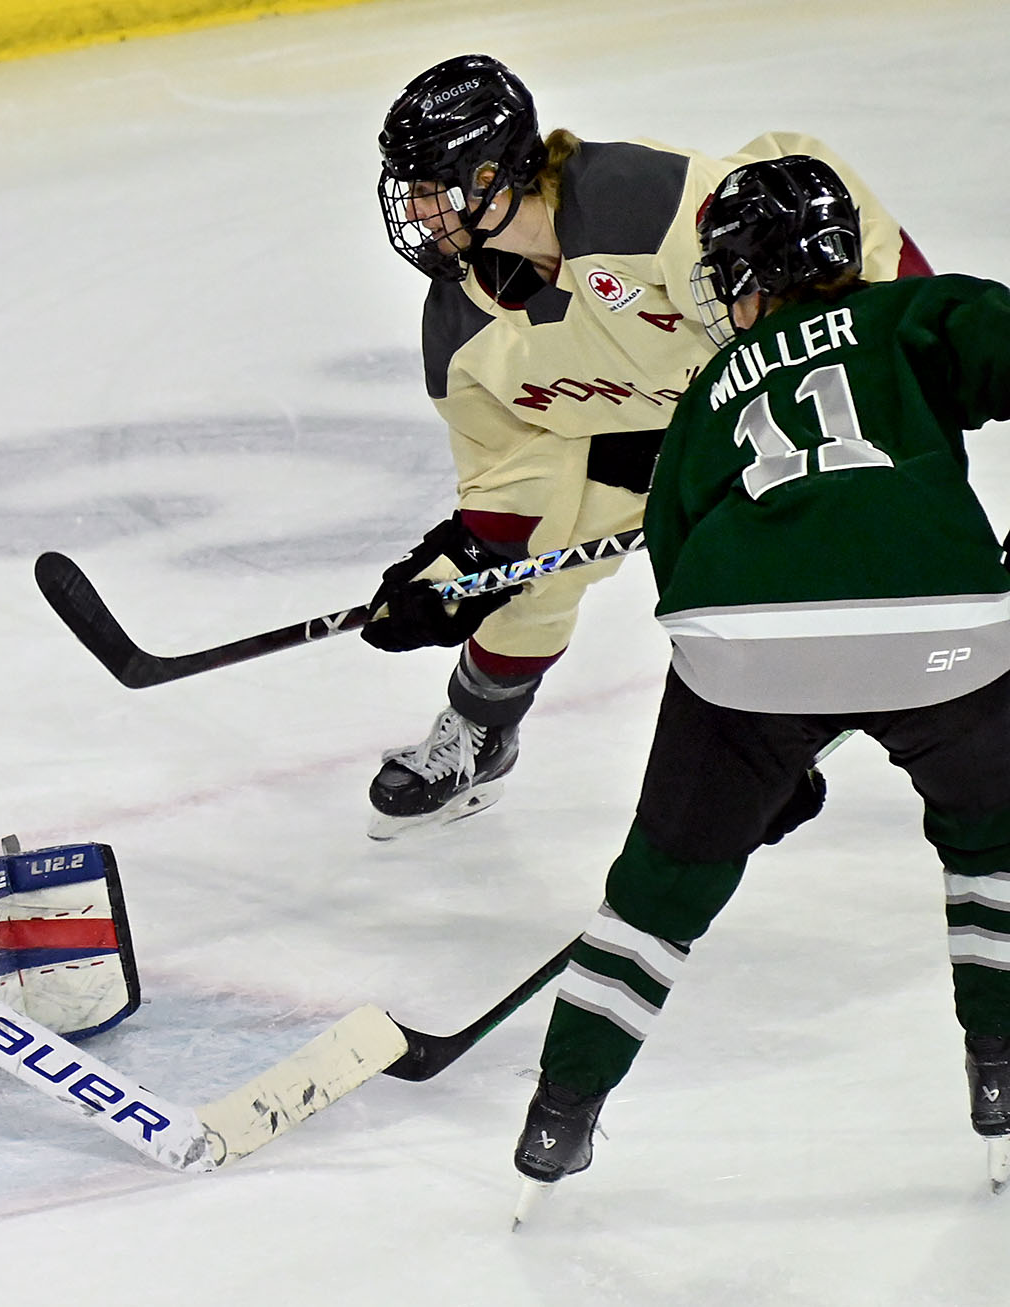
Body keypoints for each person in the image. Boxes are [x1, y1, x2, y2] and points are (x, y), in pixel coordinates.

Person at [510, 156, 1010, 1209]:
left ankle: (558, 1112)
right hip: (938, 628)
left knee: (655, 888)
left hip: (739, 651)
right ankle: (1000, 1069)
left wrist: (755, 761)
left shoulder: (705, 394)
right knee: (993, 839)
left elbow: (676, 550)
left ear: (753, 272)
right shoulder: (910, 312)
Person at [358, 54, 930, 839]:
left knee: (772, 545)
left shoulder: (640, 202)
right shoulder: (459, 330)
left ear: (493, 174)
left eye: (431, 187)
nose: (417, 212)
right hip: (644, 421)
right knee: (539, 557)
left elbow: (795, 243)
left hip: (764, 381)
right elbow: (508, 474)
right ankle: (480, 729)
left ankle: (775, 730)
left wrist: (887, 344)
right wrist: (462, 572)